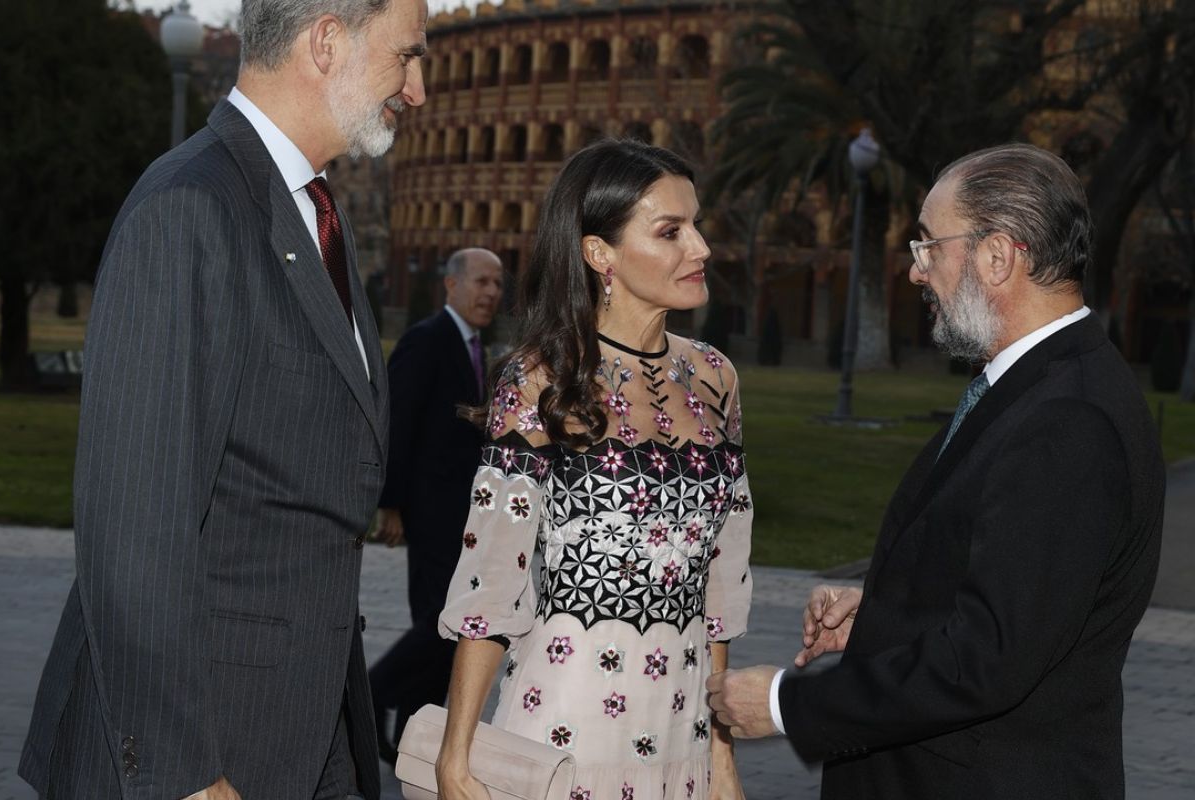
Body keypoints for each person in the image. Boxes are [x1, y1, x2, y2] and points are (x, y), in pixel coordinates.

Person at [18, 1, 427, 798]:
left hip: (306, 734)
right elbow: (133, 526)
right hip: (204, 752)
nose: (417, 90)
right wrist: (185, 775)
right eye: (407, 56)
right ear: (326, 41)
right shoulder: (189, 208)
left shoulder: (314, 214)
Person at [706, 143, 1166, 799]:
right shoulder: (1039, 382)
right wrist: (890, 612)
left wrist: (788, 705)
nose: (917, 272)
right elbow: (1026, 591)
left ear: (997, 256)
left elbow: (988, 660)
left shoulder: (1067, 418)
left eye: (928, 246)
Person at [433, 140, 754, 800]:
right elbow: (493, 584)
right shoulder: (541, 382)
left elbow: (720, 589)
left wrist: (722, 760)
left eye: (697, 225)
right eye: (670, 231)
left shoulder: (716, 377)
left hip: (683, 727)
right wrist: (456, 756)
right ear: (598, 253)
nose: (701, 249)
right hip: (567, 727)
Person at [369, 248, 505, 763]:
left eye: (497, 284)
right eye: (481, 282)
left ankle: (411, 741)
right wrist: (393, 504)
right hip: (430, 513)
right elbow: (397, 423)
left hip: (463, 516)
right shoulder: (427, 340)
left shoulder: (475, 348)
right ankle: (369, 694)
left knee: (443, 629)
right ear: (451, 286)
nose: (491, 293)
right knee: (442, 625)